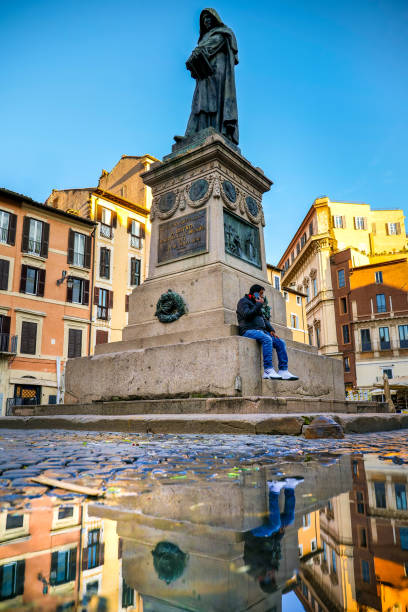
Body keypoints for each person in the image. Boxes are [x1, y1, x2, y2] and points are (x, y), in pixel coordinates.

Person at [177, 8, 239, 145]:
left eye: (208, 17)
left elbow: (210, 47)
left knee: (213, 101)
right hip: (204, 74)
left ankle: (213, 129)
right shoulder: (205, 38)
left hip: (217, 73)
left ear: (215, 18)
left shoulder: (222, 33)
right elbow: (202, 50)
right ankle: (193, 133)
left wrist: (197, 53)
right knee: (199, 102)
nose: (206, 20)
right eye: (204, 19)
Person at [244, 476, 304, 593]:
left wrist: (267, 567)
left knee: (275, 525)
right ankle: (289, 487)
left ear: (262, 580)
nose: (271, 577)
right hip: (269, 534)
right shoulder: (274, 565)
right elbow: (275, 546)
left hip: (255, 535)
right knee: (289, 519)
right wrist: (280, 535)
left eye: (269, 579)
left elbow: (254, 554)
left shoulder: (252, 571)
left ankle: (273, 489)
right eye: (272, 579)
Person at [236, 284, 299, 380]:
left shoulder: (255, 304)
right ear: (255, 293)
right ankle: (268, 370)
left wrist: (271, 330)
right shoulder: (243, 302)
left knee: (281, 342)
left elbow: (263, 319)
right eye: (261, 294)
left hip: (261, 331)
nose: (262, 297)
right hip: (248, 330)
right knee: (267, 339)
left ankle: (283, 370)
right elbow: (246, 315)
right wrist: (258, 305)